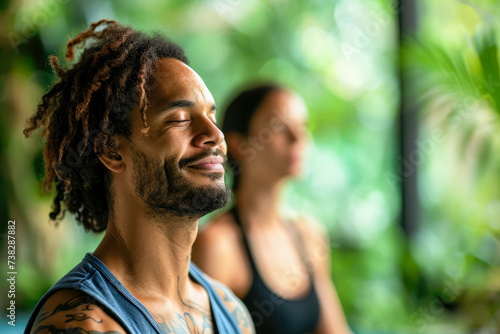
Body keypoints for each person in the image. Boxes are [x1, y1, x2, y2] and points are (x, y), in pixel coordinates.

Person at [23, 19, 254, 334]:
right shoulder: (85, 323)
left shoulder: (231, 311)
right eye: (179, 119)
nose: (214, 134)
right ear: (112, 151)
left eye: (211, 116)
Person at [192, 84, 352, 334]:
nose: (298, 137)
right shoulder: (217, 245)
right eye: (279, 127)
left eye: (303, 126)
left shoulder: (309, 235)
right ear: (238, 144)